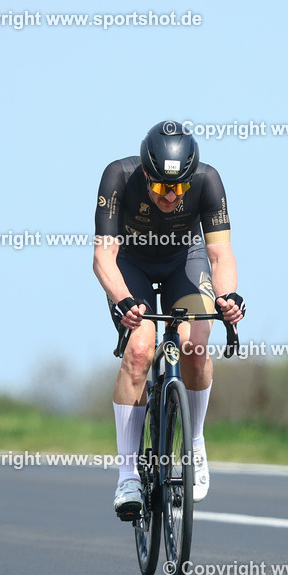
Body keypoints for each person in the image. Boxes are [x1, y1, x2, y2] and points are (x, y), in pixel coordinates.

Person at [93, 120, 245, 520]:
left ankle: (194, 443)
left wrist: (227, 297)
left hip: (185, 261)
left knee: (195, 346)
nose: (171, 195)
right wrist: (123, 300)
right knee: (140, 352)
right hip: (133, 264)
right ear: (146, 174)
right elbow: (103, 257)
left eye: (178, 187)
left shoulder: (208, 180)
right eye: (161, 186)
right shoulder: (118, 177)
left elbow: (220, 255)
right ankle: (128, 476)